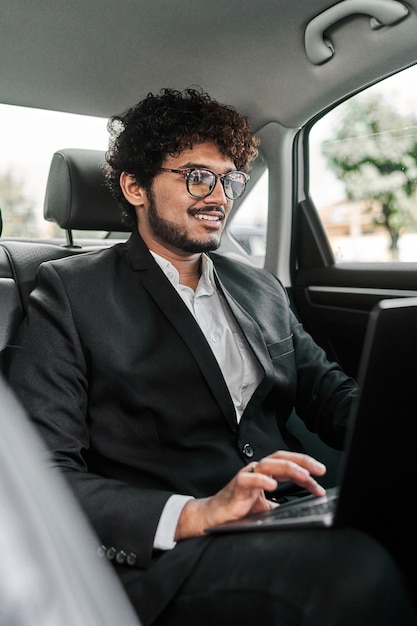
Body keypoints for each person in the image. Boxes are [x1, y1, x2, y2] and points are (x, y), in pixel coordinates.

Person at [5, 88, 416, 625]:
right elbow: (43, 475)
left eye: (229, 179)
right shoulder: (70, 291)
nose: (220, 196)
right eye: (198, 175)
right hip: (178, 549)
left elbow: (330, 395)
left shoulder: (260, 287)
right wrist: (196, 513)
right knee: (352, 571)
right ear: (135, 187)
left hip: (289, 513)